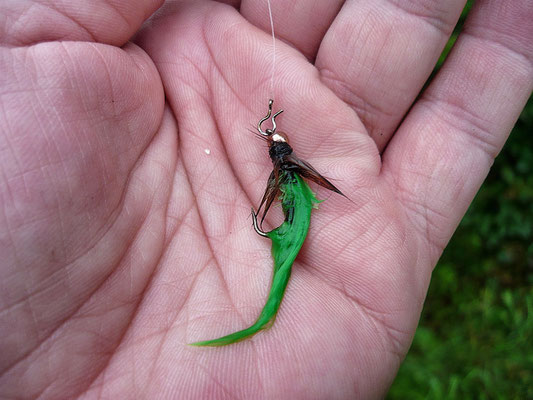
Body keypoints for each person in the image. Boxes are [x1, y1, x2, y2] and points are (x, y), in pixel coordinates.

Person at [0, 0, 531, 398]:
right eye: (274, 139)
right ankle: (260, 313)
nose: (275, 141)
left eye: (275, 139)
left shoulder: (283, 164)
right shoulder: (282, 161)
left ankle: (260, 314)